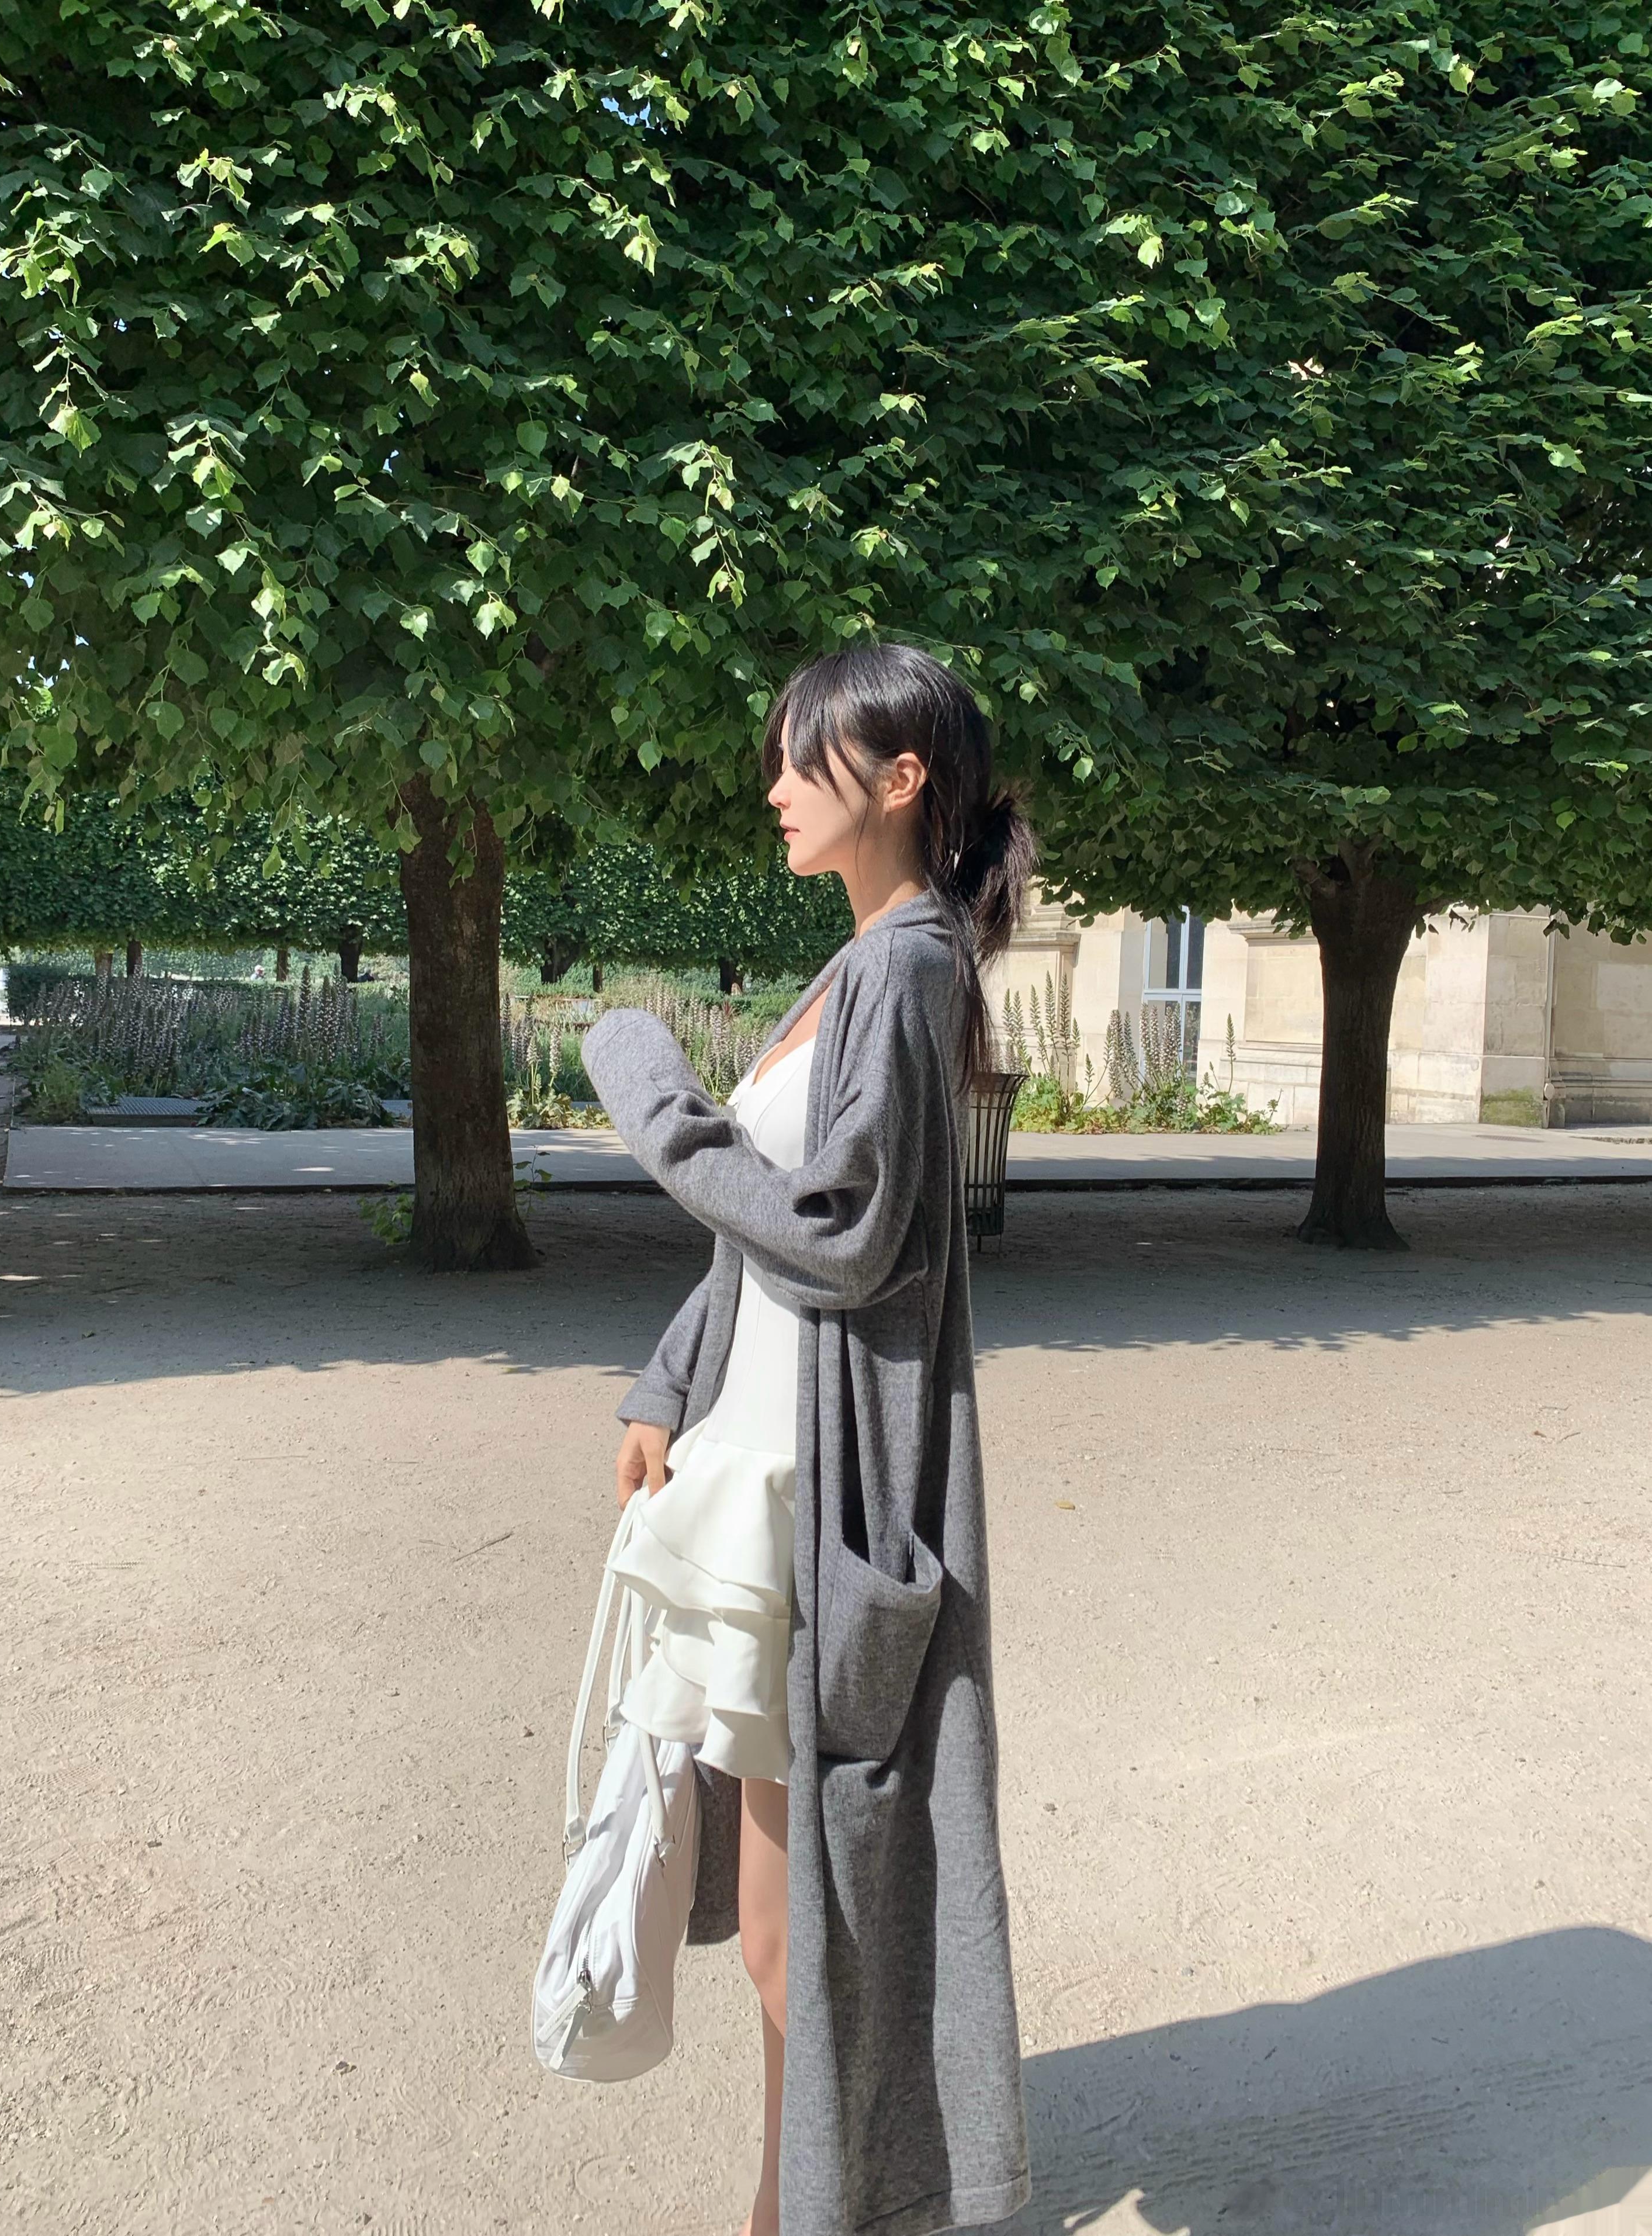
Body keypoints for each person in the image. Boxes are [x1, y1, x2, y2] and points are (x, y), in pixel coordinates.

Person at [581, 641, 1035, 2236]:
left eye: (802, 758)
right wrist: (666, 1379)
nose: (775, 787)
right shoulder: (855, 965)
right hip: (766, 1477)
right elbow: (757, 1240)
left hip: (825, 1499)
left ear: (900, 780)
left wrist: (656, 1101)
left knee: (807, 1925)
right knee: (789, 1926)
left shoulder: (907, 968)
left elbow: (841, 1236)